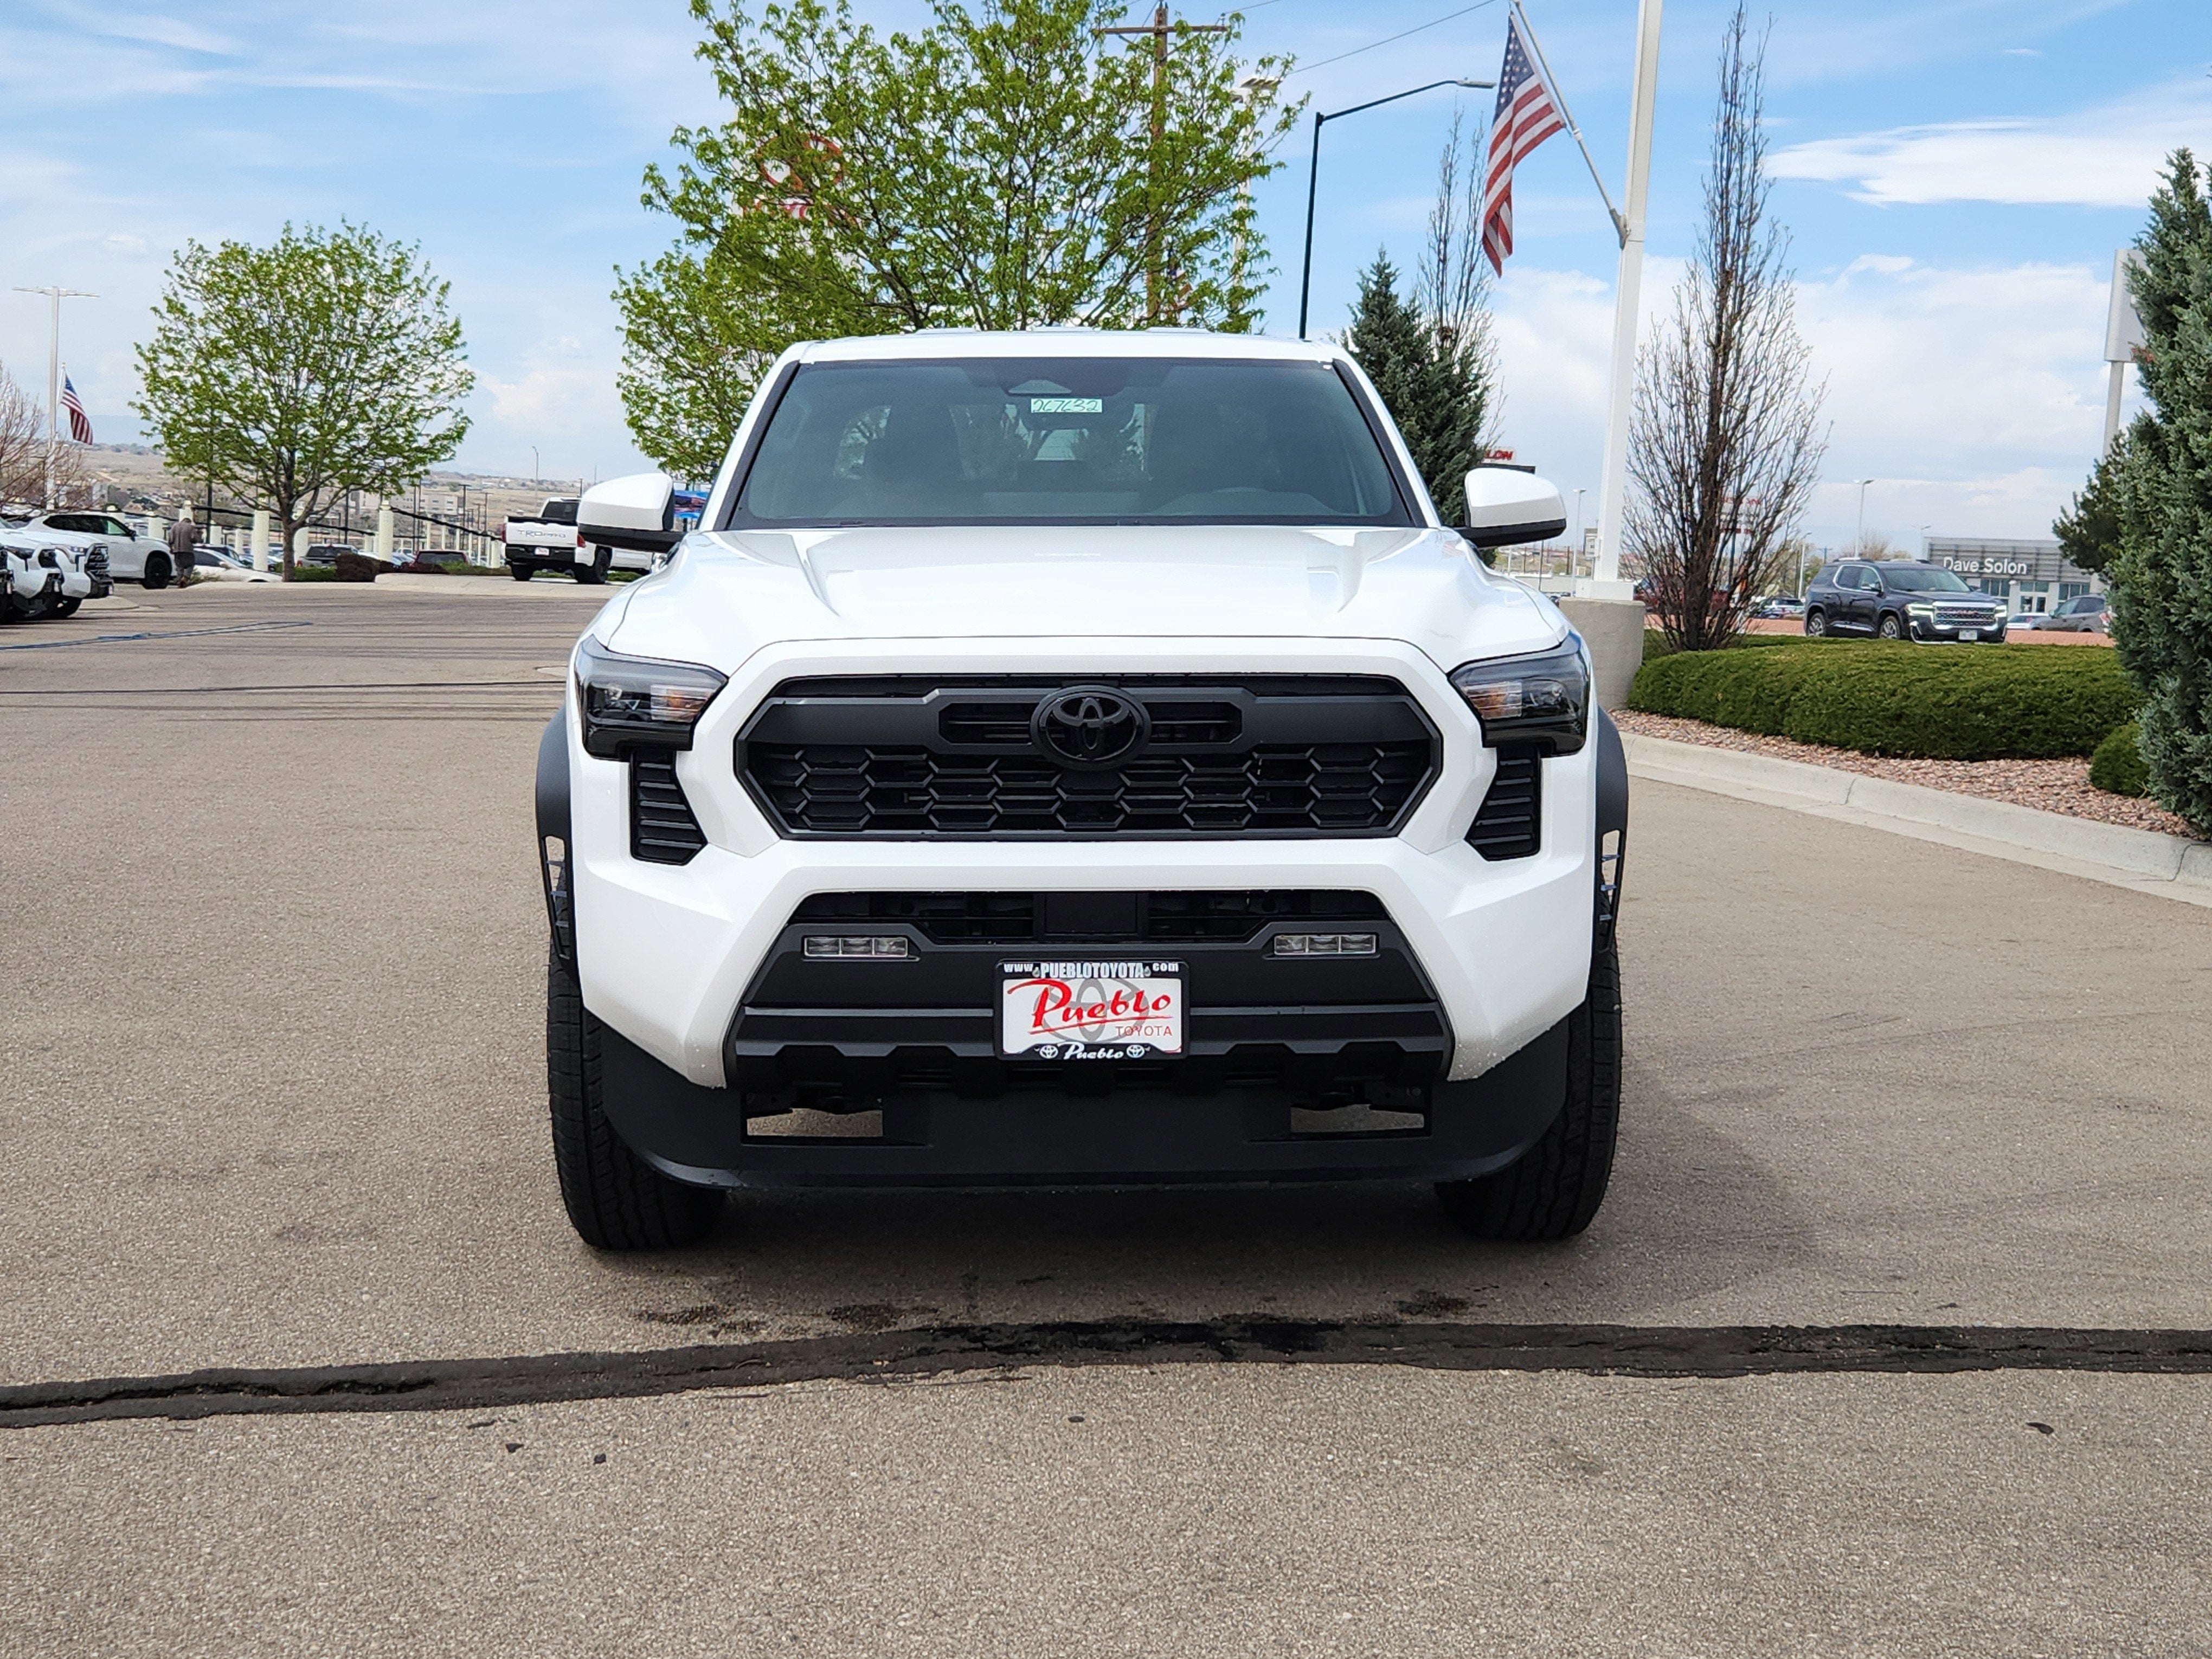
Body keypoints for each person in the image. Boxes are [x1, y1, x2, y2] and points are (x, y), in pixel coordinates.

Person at [164, 508, 201, 589]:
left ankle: (179, 581)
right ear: (189, 522)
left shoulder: (174, 527)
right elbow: (194, 539)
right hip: (188, 551)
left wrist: (171, 547)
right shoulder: (190, 527)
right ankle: (185, 578)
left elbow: (170, 539)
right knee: (190, 565)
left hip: (177, 551)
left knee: (180, 567)